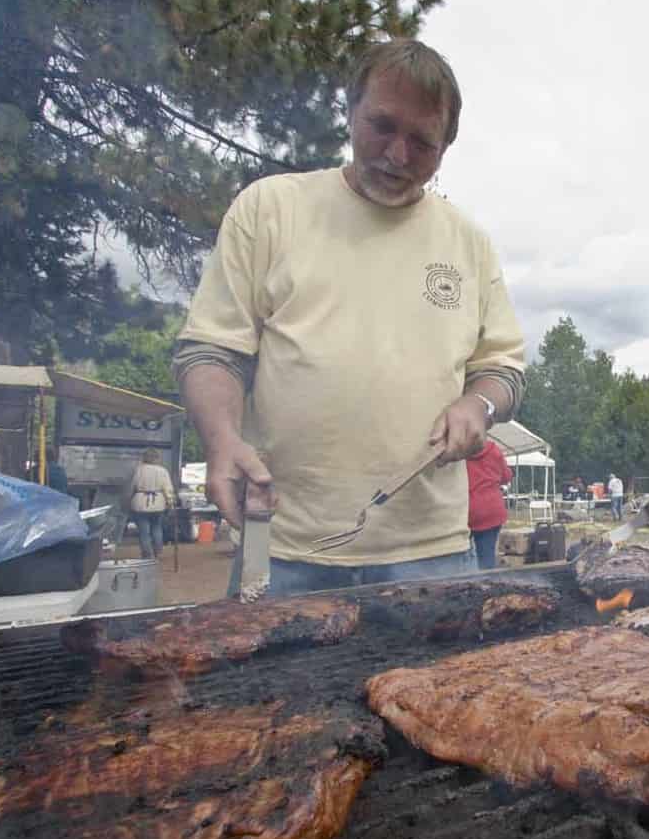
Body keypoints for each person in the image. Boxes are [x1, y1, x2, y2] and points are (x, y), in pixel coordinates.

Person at [173, 39, 526, 597]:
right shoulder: (270, 209)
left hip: (431, 552)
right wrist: (221, 441)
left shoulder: (469, 242)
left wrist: (476, 404)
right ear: (351, 110)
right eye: (382, 126)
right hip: (286, 545)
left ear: (446, 146)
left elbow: (503, 369)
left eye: (422, 142)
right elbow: (212, 349)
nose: (398, 155)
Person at [467, 439, 512, 570]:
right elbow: (506, 477)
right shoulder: (494, 449)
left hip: (467, 509)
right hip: (492, 510)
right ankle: (487, 587)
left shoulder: (458, 450)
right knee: (486, 559)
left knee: (461, 558)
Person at [128, 448, 175, 560]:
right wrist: (171, 503)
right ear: (157, 458)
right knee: (157, 528)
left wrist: (128, 499)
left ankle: (147, 554)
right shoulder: (163, 471)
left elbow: (132, 487)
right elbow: (168, 489)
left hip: (140, 503)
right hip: (158, 503)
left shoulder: (138, 470)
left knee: (144, 531)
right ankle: (158, 552)